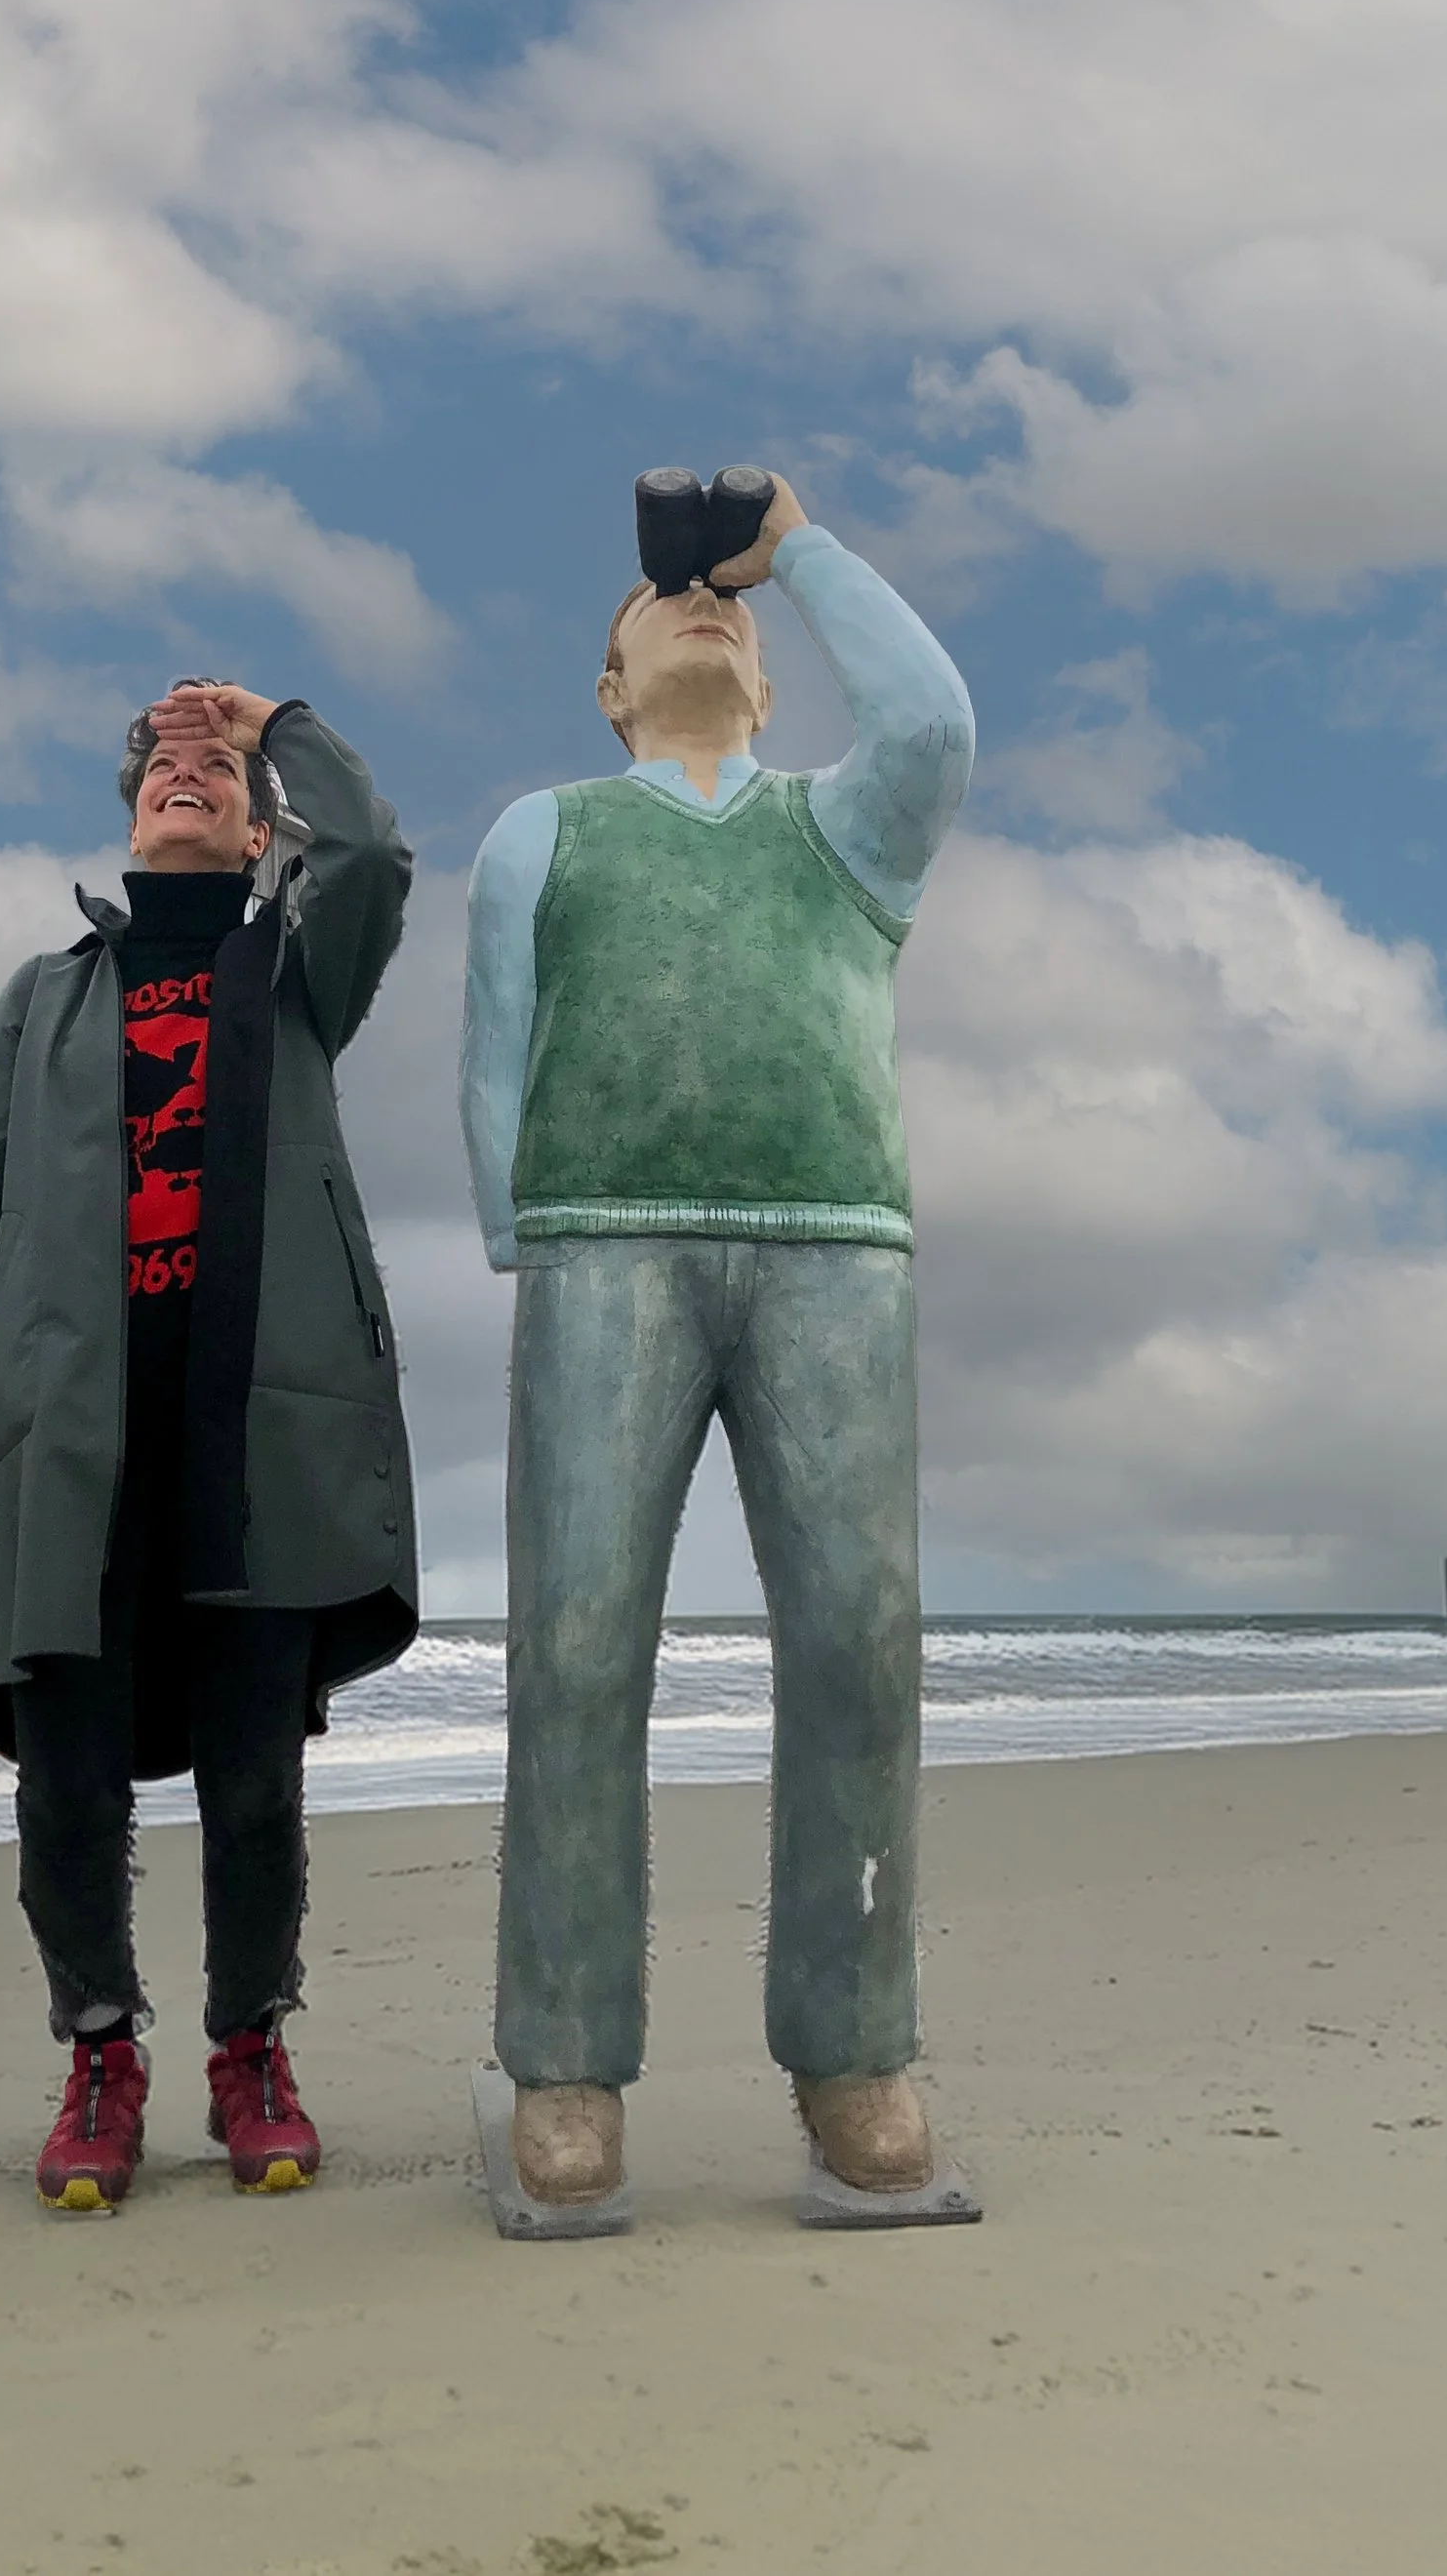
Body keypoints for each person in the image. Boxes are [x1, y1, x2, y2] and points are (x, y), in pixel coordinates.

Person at [460, 473, 974, 2208]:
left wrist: (796, 548)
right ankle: (565, 2064)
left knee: (860, 1640)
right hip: (604, 1248)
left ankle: (857, 2051)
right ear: (610, 689)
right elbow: (496, 1044)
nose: (704, 610)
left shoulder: (845, 828)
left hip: (836, 1250)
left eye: (733, 616)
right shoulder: (543, 832)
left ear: (767, 679)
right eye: (665, 605)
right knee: (577, 1644)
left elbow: (934, 721)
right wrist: (519, 1228)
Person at [0, 680, 417, 2213]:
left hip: (258, 1437)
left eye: (218, 771)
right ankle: (99, 2057)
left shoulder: (297, 972)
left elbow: (372, 859)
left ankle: (252, 2051)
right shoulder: (40, 1001)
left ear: (259, 831)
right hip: (69, 1442)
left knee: (254, 1782)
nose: (185, 776)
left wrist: (279, 722)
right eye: (163, 769)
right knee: (67, 1783)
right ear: (131, 817)